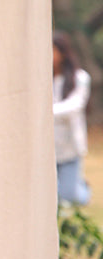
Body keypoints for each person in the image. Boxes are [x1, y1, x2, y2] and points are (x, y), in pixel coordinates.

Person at [53, 31, 92, 206]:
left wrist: (46, 112)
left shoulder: (80, 78)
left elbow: (74, 106)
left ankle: (84, 189)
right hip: (49, 146)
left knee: (69, 196)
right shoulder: (43, 78)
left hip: (69, 147)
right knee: (53, 195)